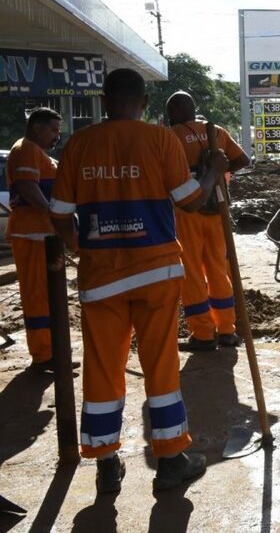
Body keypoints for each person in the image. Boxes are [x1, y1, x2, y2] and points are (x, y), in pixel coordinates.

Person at [50, 68, 227, 494]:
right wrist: (212, 170)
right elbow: (190, 200)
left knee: (102, 366)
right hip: (156, 272)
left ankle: (106, 462)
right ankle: (170, 460)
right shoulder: (159, 139)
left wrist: (80, 248)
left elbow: (58, 213)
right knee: (160, 363)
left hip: (101, 278)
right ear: (145, 102)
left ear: (103, 99)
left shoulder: (79, 144)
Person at [166, 92, 251, 351]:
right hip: (218, 209)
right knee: (218, 269)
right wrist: (216, 173)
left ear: (173, 114)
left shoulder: (171, 136)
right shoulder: (216, 132)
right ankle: (227, 330)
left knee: (191, 272)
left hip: (186, 210)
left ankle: (203, 334)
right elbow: (243, 160)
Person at [6, 107, 62, 371]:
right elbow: (27, 186)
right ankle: (42, 355)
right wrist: (53, 212)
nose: (57, 137)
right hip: (31, 234)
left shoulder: (36, 153)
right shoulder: (25, 149)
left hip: (43, 235)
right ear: (37, 127)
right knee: (37, 296)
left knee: (48, 295)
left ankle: (50, 350)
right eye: (53, 130)